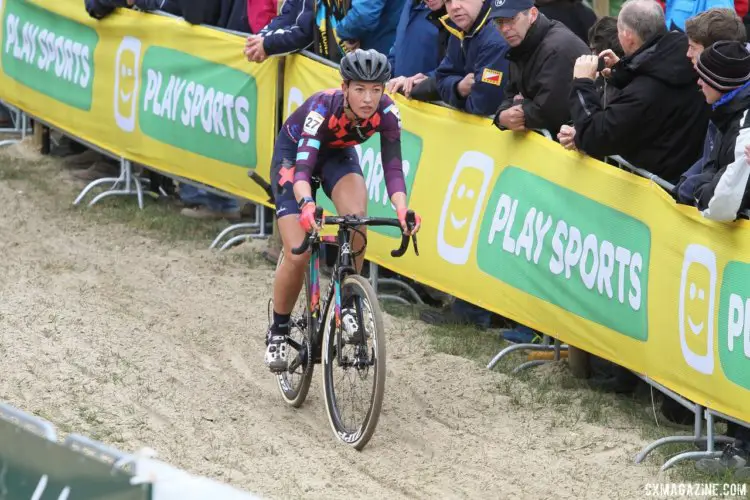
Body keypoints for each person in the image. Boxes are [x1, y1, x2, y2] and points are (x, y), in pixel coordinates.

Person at [264, 49, 422, 372]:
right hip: (294, 158)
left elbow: (392, 167)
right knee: (298, 252)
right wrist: (307, 204)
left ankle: (348, 302)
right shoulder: (323, 109)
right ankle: (278, 330)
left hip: (338, 155)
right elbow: (303, 170)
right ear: (345, 87)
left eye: (376, 89)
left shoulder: (389, 113)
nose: (368, 99)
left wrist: (404, 209)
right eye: (360, 89)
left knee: (356, 220)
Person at [565, 0, 710, 184]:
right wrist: (622, 70)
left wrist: (582, 84)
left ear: (627, 36)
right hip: (685, 167)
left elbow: (596, 135)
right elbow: (656, 72)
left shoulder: (645, 92)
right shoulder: (685, 53)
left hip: (658, 190)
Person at [491, 0, 589, 137]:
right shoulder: (522, 42)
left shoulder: (557, 47)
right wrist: (501, 116)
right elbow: (510, 92)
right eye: (499, 22)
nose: (505, 29)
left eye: (512, 19)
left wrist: (519, 106)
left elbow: (550, 112)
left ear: (532, 14)